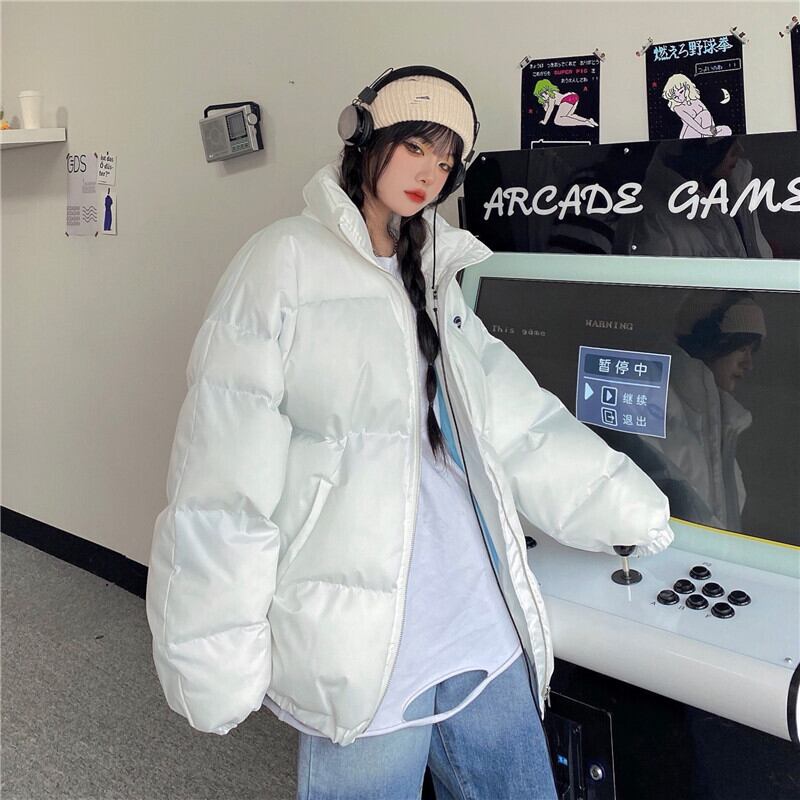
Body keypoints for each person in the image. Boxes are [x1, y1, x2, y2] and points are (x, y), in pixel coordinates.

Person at [145, 65, 674, 799]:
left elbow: (514, 417)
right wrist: (211, 647)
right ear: (365, 138)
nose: (431, 173)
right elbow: (223, 477)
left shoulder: (432, 269)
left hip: (474, 605)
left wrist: (621, 505)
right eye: (417, 147)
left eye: (447, 159)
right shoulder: (281, 263)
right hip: (359, 632)